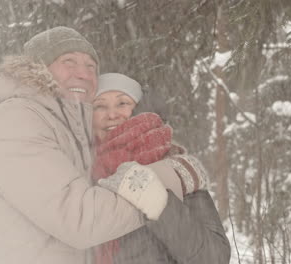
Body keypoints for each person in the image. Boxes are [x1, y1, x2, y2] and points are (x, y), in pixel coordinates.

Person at [0, 27, 181, 264]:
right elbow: (80, 220)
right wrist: (170, 178)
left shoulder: (68, 130)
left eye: (91, 66)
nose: (83, 73)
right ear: (38, 68)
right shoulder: (15, 119)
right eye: (69, 62)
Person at [92, 73, 231, 264]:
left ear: (139, 110)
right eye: (100, 105)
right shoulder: (75, 173)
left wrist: (158, 204)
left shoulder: (175, 170)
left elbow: (214, 258)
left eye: (122, 103)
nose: (112, 114)